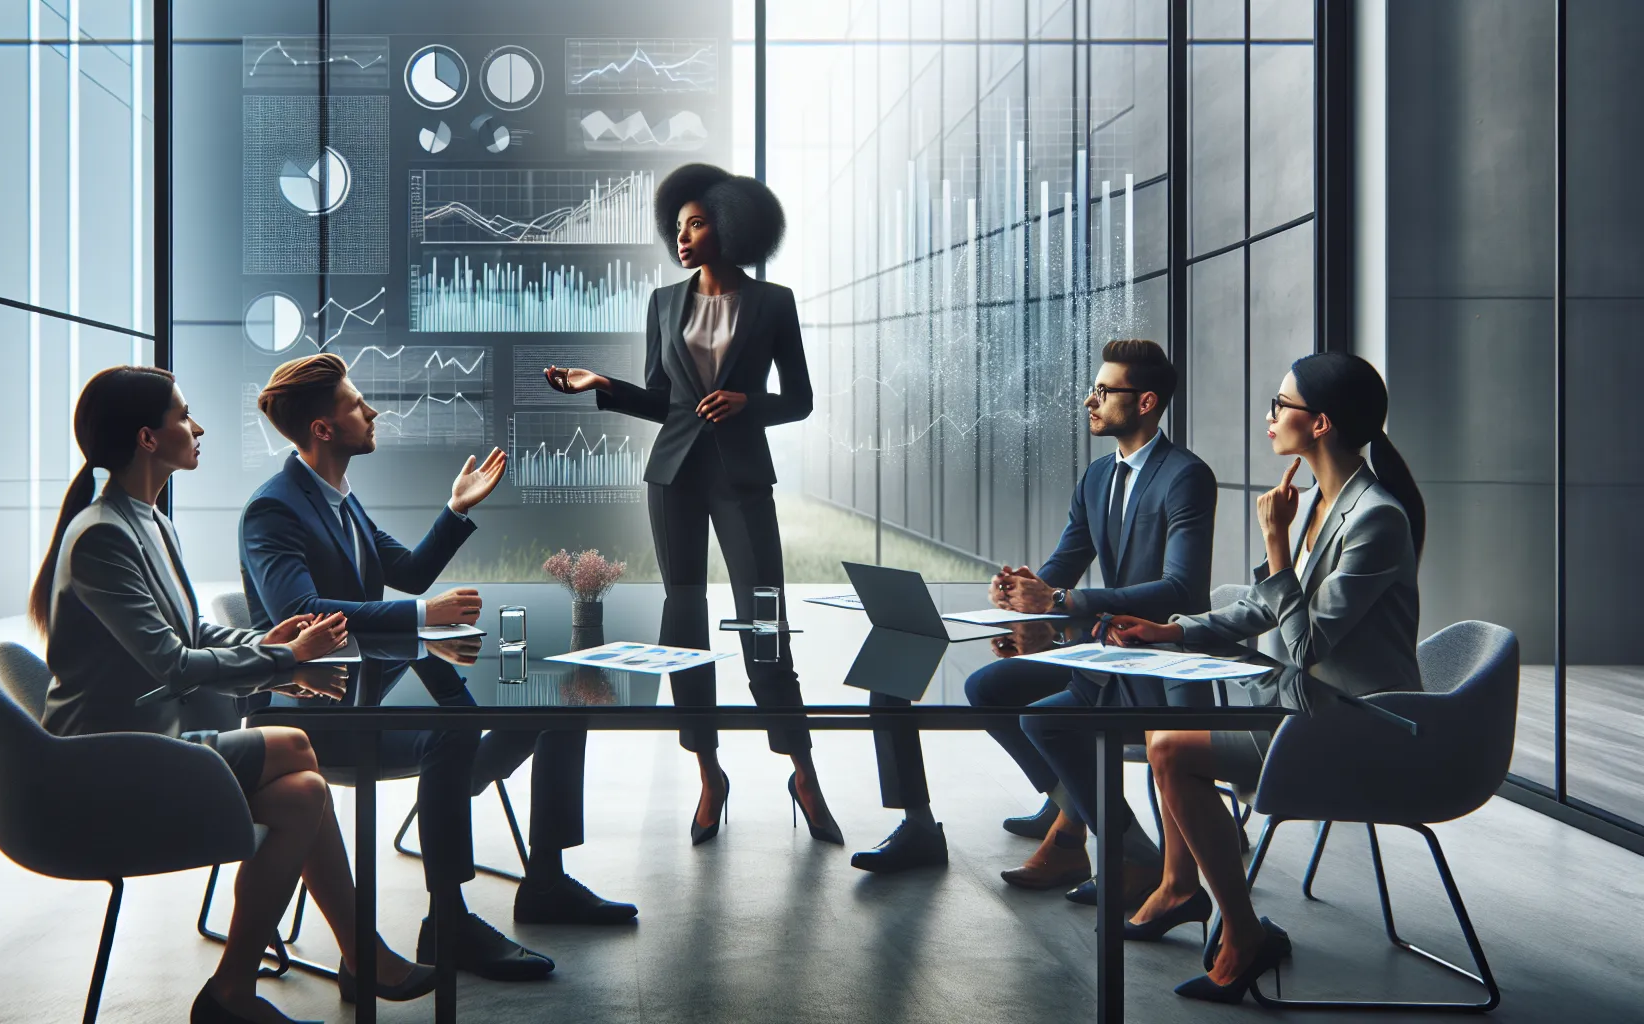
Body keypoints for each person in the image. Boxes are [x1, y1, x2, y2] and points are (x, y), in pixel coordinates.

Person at [33, 366, 433, 1024]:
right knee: (298, 743)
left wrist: (267, 643)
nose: (197, 427)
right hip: (107, 763)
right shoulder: (104, 535)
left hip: (156, 744)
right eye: (183, 415)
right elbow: (172, 663)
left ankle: (235, 990)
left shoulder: (148, 521)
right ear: (147, 438)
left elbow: (190, 630)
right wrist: (285, 661)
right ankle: (356, 956)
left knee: (304, 793)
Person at [239, 353, 635, 966]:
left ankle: (546, 879)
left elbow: (411, 571)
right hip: (314, 715)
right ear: (323, 429)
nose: (371, 411)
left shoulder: (339, 499)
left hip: (370, 685)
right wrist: (425, 619)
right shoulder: (275, 509)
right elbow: (305, 612)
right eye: (355, 404)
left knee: (560, 697)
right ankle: (447, 922)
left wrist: (457, 510)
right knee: (450, 732)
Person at [1079, 352, 1426, 1003]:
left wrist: (1275, 544)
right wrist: (1172, 629)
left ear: (1318, 423)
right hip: (1306, 712)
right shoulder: (1326, 501)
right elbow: (1267, 607)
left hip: (1354, 731)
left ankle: (1240, 932)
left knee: (1170, 751)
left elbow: (1305, 643)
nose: (1269, 417)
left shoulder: (1375, 519)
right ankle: (1186, 891)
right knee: (1166, 727)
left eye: (1280, 405)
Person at [542, 162, 842, 847]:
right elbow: (662, 401)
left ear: (732, 227)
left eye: (697, 224)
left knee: (764, 619)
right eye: (677, 227)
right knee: (683, 625)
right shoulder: (663, 303)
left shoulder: (774, 304)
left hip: (739, 476)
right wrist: (603, 384)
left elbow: (798, 400)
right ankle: (709, 774)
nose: (682, 237)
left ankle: (802, 772)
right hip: (673, 475)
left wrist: (747, 403)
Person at [850, 339, 1218, 877]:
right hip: (1102, 658)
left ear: (1145, 402)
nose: (1089, 402)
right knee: (987, 688)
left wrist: (1061, 602)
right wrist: (1022, 594)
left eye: (1103, 390)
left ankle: (1119, 852)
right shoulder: (1097, 477)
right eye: (1092, 389)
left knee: (1040, 716)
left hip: (1157, 669)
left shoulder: (1185, 476)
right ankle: (1078, 815)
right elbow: (1062, 569)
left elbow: (1181, 590)